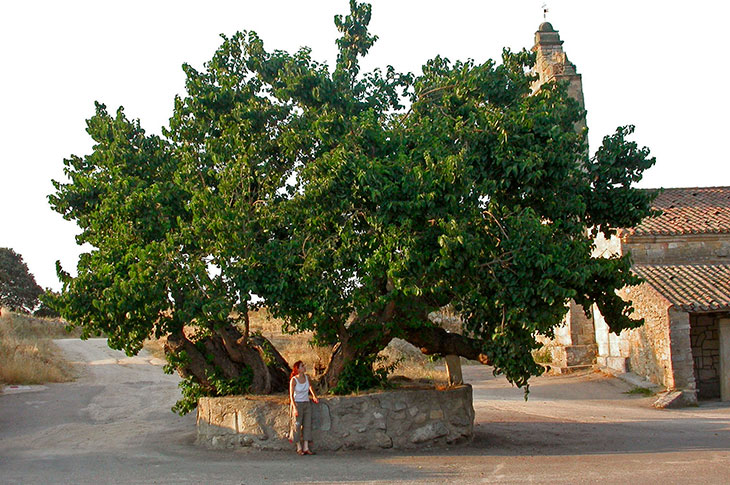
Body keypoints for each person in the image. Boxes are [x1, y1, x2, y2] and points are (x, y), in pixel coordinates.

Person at [289, 360, 319, 455]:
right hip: (298, 403)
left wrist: (314, 396)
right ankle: (299, 447)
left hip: (306, 403)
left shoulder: (307, 377)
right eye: (302, 366)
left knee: (307, 424)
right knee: (297, 425)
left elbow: (310, 387)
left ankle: (306, 447)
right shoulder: (294, 380)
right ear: (297, 369)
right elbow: (291, 395)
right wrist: (294, 407)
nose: (304, 367)